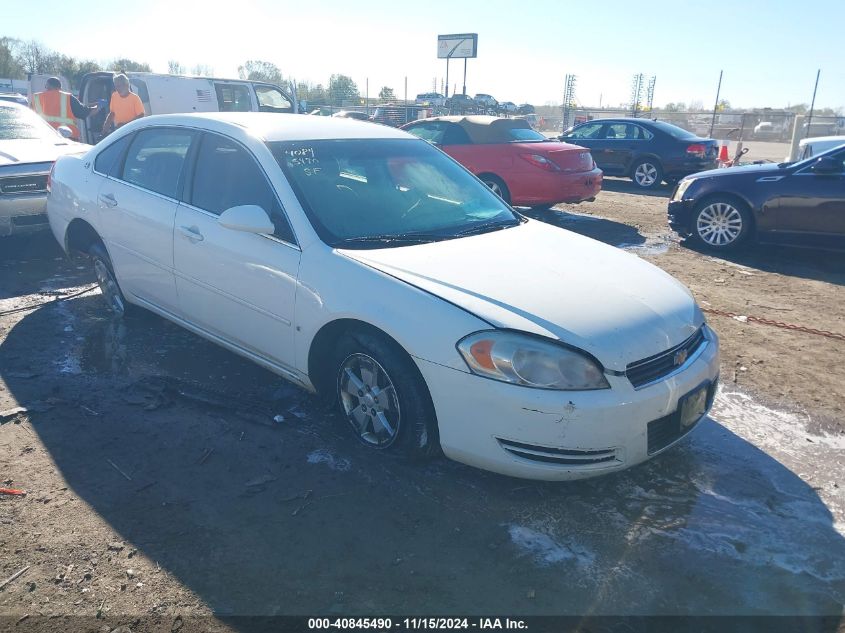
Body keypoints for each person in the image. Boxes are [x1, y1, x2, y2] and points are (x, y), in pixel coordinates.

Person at [30, 77, 98, 140]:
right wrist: (97, 107)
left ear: (46, 86)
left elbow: (30, 117)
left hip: (44, 137)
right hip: (67, 138)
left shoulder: (36, 98)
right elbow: (84, 112)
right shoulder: (68, 97)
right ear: (60, 87)